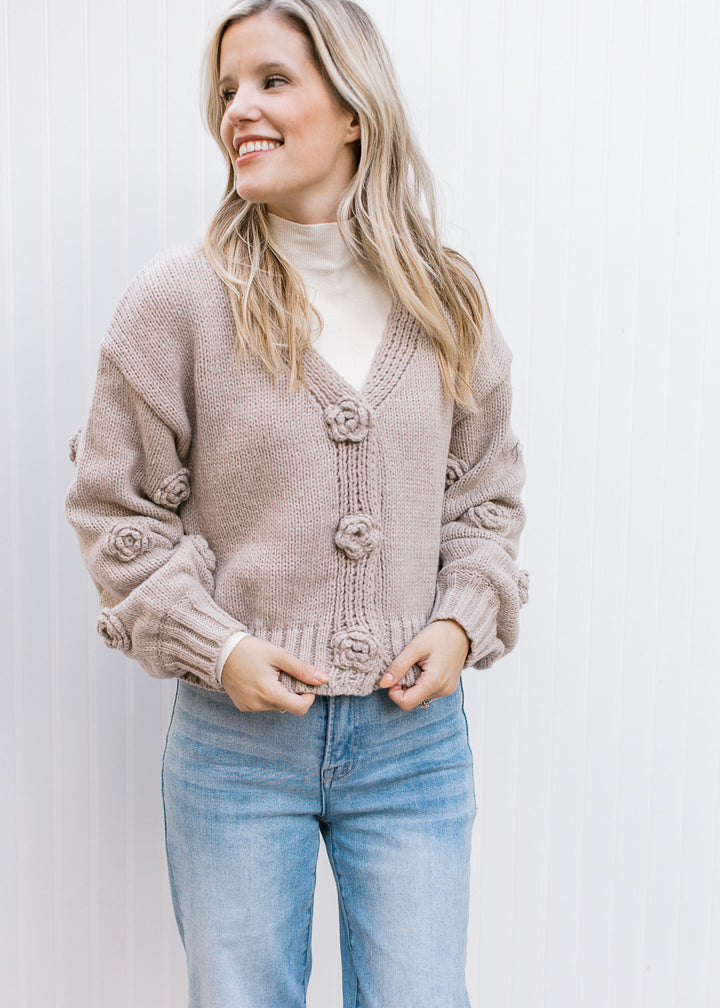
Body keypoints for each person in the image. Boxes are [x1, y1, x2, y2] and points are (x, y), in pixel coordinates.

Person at [65, 1, 528, 1004]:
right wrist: (220, 647)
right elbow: (117, 509)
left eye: (273, 81)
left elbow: (486, 497)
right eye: (228, 90)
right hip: (236, 749)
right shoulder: (178, 304)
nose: (240, 109)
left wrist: (458, 624)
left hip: (414, 747)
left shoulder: (446, 302)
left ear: (355, 107)